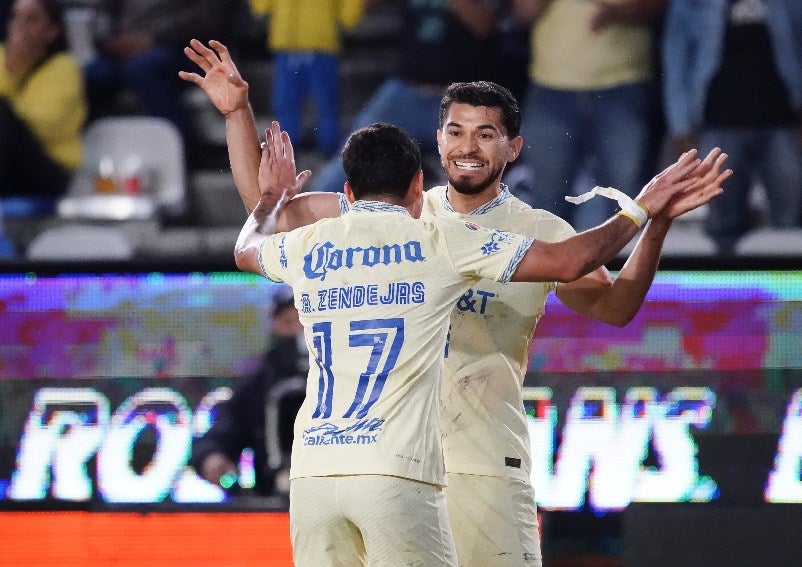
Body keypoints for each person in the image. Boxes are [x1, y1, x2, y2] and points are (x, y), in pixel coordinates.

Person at [182, 42, 730, 566]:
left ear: (514, 148)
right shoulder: (403, 213)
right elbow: (269, 207)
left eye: (486, 134)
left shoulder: (539, 231)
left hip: (485, 463)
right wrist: (238, 114)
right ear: (438, 142)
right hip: (395, 465)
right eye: (455, 131)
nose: (468, 146)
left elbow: (615, 308)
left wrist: (655, 224)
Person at [663, 0, 802, 253]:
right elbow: (676, 52)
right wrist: (680, 122)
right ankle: (728, 293)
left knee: (791, 226)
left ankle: (788, 292)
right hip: (718, 121)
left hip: (786, 120)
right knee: (722, 228)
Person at [305, 0, 511, 192]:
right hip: (406, 89)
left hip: (465, 100)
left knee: (478, 185)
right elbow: (368, 4)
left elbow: (484, 23)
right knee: (343, 168)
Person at [514, 0, 667, 231]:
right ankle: (552, 267)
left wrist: (616, 13)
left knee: (626, 199)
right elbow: (523, 13)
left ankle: (617, 266)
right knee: (547, 198)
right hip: (551, 88)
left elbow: (657, 7)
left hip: (622, 86)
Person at [190, 287, 308, 497]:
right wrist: (213, 458)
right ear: (274, 325)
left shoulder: (352, 374)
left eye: (304, 319)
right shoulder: (261, 381)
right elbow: (220, 434)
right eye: (287, 321)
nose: (297, 330)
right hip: (276, 503)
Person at [84, 0, 235, 141]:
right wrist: (110, 41)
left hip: (186, 49)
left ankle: (179, 147)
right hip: (124, 50)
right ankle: (94, 150)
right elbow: (102, 14)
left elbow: (209, 18)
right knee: (92, 74)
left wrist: (153, 39)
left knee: (142, 68)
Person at [250, 0, 365, 157]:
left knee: (325, 103)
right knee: (288, 102)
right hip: (293, 43)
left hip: (317, 44)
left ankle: (328, 152)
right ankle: (288, 153)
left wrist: (345, 24)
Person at [1, 0, 86, 200]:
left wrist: (14, 70)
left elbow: (43, 124)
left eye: (31, 19)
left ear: (52, 31)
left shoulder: (64, 68)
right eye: (15, 17)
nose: (20, 25)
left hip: (50, 168)